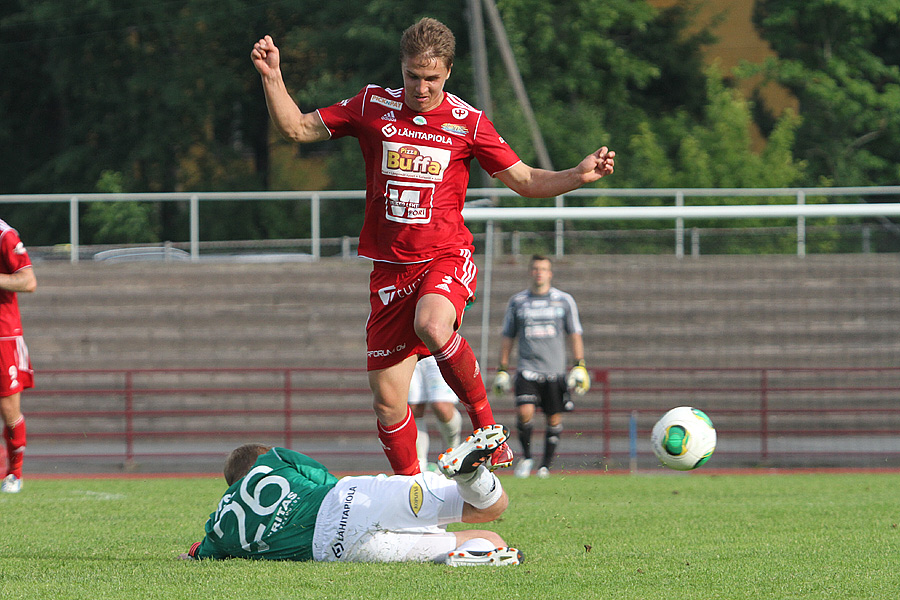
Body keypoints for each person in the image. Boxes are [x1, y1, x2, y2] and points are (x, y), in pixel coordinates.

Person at [250, 17, 615, 476]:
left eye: (431, 79)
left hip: (444, 257)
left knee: (432, 323)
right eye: (412, 76)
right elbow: (297, 129)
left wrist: (576, 176)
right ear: (401, 68)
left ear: (447, 73)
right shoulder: (372, 105)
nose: (420, 88)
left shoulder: (468, 123)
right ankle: (411, 495)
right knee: (387, 403)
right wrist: (273, 77)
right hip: (389, 272)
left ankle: (486, 426)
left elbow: (523, 180)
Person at [180, 428, 522, 566]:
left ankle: (461, 558)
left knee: (493, 543)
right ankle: (469, 473)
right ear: (259, 460)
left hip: (337, 550)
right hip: (351, 499)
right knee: (491, 510)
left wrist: (189, 553)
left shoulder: (218, 528)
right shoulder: (275, 459)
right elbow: (325, 480)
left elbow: (196, 554)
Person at [492, 255, 589, 479]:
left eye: (544, 269)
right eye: (535, 268)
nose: (539, 272)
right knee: (524, 411)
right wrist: (503, 369)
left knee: (553, 418)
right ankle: (526, 457)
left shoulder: (564, 301)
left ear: (550, 273)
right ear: (530, 272)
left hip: (555, 371)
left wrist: (579, 365)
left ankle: (545, 465)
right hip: (527, 369)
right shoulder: (518, 302)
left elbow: (574, 333)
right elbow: (508, 336)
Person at [0, 220, 36, 494]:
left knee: (9, 411)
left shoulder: (5, 235)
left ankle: (15, 473)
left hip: (3, 335)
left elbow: (28, 281)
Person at [408, 355, 463, 472]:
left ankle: (452, 452)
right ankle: (420, 463)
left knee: (442, 407)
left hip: (435, 350)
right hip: (406, 351)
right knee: (413, 408)